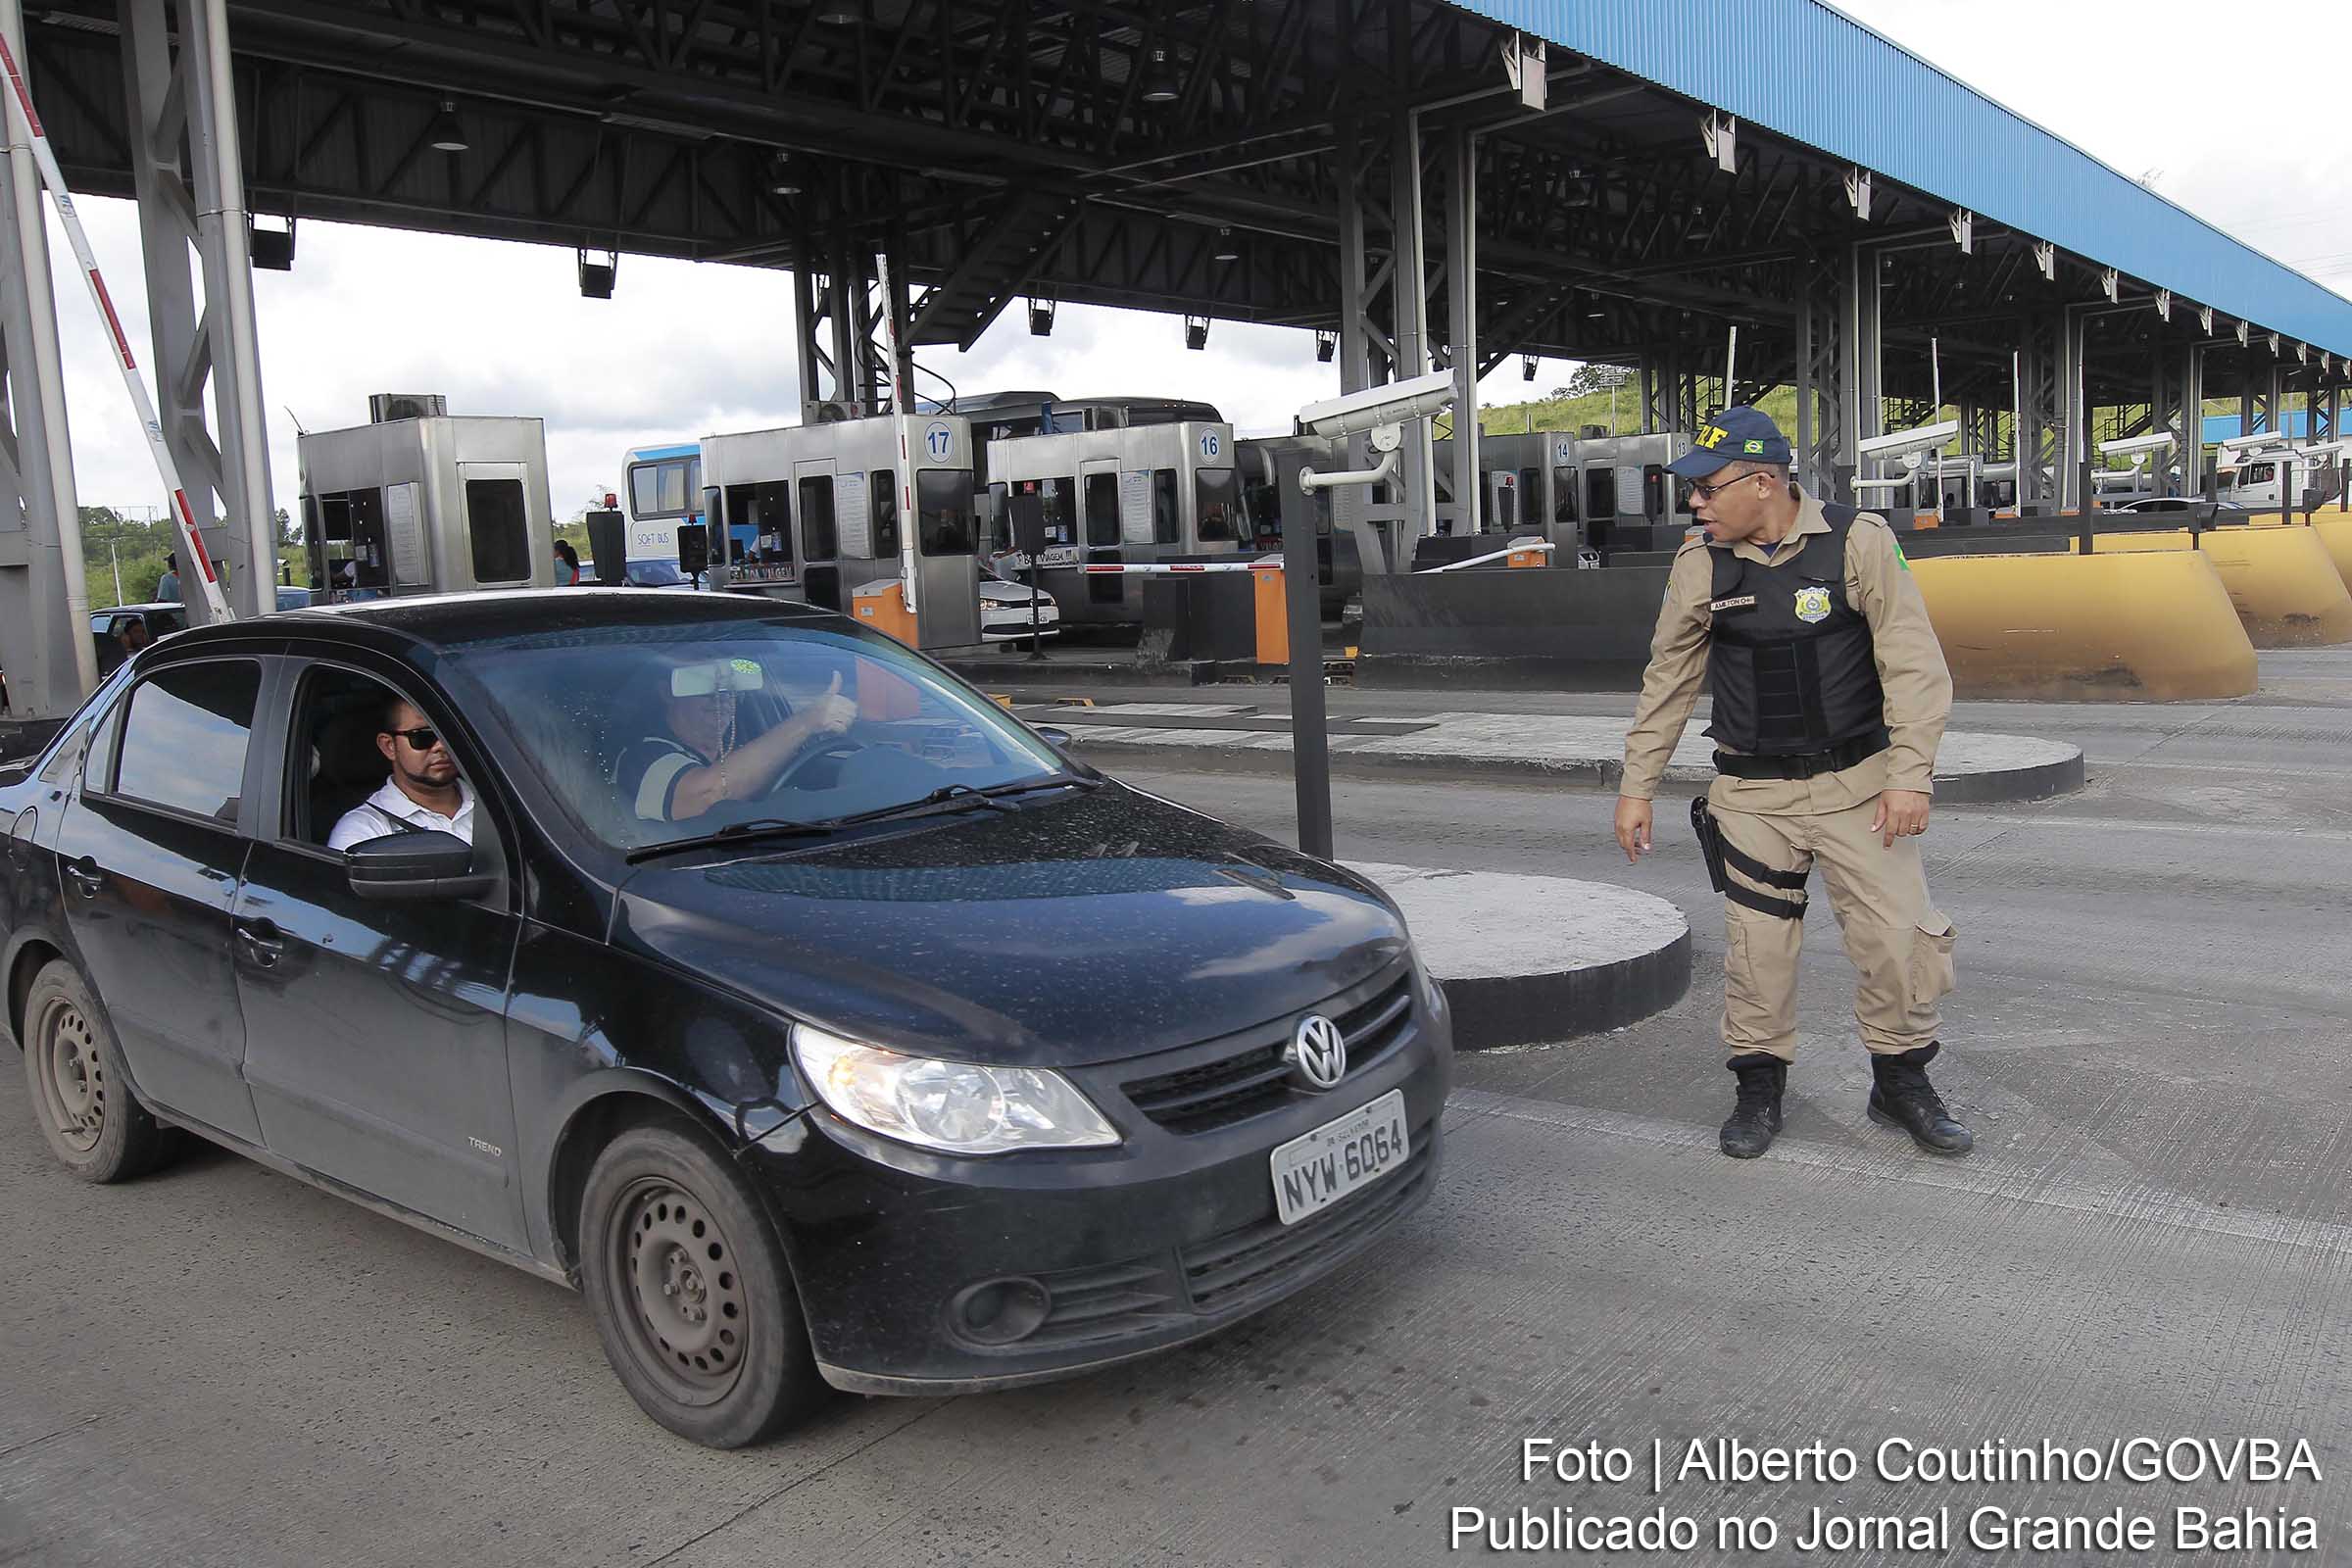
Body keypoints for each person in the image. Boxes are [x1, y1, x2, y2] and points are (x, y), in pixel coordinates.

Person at [1613, 405, 1969, 1161]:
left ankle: (1900, 1082)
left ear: (1764, 482)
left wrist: (1912, 777)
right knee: (1758, 952)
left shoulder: (1857, 542)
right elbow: (1668, 681)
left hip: (1862, 787)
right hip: (1753, 797)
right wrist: (1636, 786)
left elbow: (1914, 665)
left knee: (1900, 942)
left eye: (1707, 490)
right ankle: (1759, 1088)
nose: (1696, 504)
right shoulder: (1701, 566)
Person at [614, 659, 858, 823]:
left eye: (730, 687)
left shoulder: (745, 748)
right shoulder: (641, 757)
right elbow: (708, 794)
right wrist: (805, 722)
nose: (720, 698)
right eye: (702, 683)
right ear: (667, 693)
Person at [329, 696, 475, 851]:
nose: (441, 746)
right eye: (422, 736)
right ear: (389, 746)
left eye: (450, 735)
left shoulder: (496, 796)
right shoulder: (363, 831)